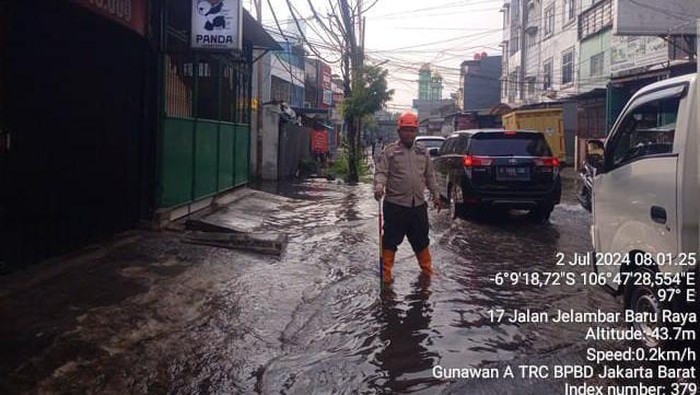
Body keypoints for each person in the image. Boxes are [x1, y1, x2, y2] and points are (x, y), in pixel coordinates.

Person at [374, 112, 442, 284]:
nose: (408, 134)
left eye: (412, 130)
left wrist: (436, 195)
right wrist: (379, 186)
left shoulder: (422, 152)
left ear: (416, 132)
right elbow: (382, 172)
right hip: (395, 205)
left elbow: (430, 176)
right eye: (405, 130)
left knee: (421, 240)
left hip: (418, 205)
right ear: (399, 132)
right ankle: (386, 273)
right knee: (390, 240)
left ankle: (427, 271)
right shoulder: (390, 152)